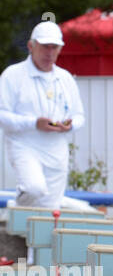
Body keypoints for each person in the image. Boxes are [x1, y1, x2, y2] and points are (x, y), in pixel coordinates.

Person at [0, 21, 86, 207]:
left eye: (54, 47)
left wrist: (70, 125)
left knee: (50, 206)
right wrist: (33, 123)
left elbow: (79, 116)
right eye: (45, 47)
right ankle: (16, 211)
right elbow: (2, 115)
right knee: (34, 188)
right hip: (24, 144)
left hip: (56, 148)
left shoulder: (65, 78)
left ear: (60, 49)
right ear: (31, 46)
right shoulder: (13, 75)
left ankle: (26, 230)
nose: (49, 52)